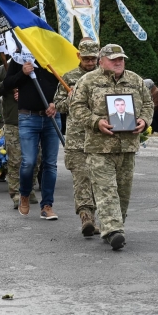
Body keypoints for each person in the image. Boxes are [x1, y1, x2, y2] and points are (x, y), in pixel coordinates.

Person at [70, 43, 153, 250]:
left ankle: (115, 226)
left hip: (127, 146)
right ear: (101, 61)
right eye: (114, 59)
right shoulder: (88, 81)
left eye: (121, 59)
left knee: (123, 192)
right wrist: (95, 122)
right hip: (99, 147)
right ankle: (113, 230)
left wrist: (144, 120)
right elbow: (76, 107)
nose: (119, 62)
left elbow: (148, 103)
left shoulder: (135, 80)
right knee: (106, 190)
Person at [4, 51, 61, 220]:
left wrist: (56, 103)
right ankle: (24, 193)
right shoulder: (20, 57)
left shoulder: (53, 56)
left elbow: (64, 84)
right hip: (28, 116)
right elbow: (7, 83)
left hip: (52, 116)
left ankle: (47, 205)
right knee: (28, 161)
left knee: (50, 163)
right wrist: (23, 73)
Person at [54, 39, 99, 236]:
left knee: (99, 181)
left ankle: (100, 218)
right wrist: (72, 98)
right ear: (78, 56)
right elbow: (58, 105)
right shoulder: (69, 77)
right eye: (86, 59)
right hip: (77, 139)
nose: (90, 63)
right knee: (82, 179)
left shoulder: (104, 77)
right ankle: (86, 217)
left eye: (93, 59)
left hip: (100, 138)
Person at [0, 55, 41, 208]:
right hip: (14, 120)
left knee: (35, 159)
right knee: (16, 160)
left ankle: (28, 188)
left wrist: (27, 94)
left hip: (34, 119)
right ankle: (16, 192)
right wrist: (7, 85)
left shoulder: (37, 65)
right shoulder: (3, 69)